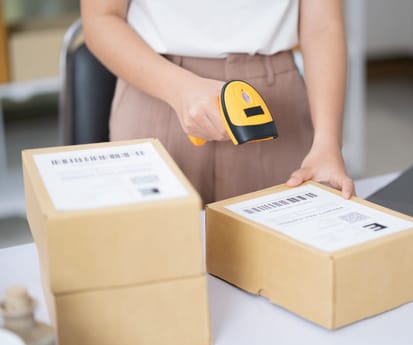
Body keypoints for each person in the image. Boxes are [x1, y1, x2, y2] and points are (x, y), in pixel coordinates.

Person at [81, 0, 355, 204]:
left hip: (273, 106)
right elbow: (101, 18)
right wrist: (178, 89)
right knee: (151, 262)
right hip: (155, 88)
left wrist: (328, 143)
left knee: (282, 268)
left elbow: (322, 26)